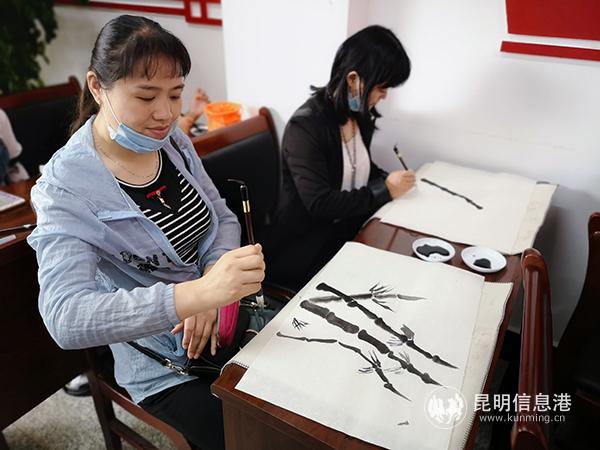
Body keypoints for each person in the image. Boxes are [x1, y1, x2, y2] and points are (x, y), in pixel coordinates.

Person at [27, 15, 264, 450]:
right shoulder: (66, 187)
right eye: (146, 95)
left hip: (221, 320)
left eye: (175, 94)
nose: (166, 113)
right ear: (97, 87)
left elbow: (223, 218)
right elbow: (65, 316)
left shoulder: (171, 142)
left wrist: (212, 283)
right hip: (164, 365)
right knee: (249, 437)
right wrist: (195, 296)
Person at [267, 25, 414, 290]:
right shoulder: (305, 128)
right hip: (306, 250)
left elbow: (357, 166)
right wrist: (385, 190)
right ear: (353, 79)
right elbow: (320, 203)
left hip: (346, 234)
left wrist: (388, 179)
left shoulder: (358, 115)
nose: (385, 95)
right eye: (382, 86)